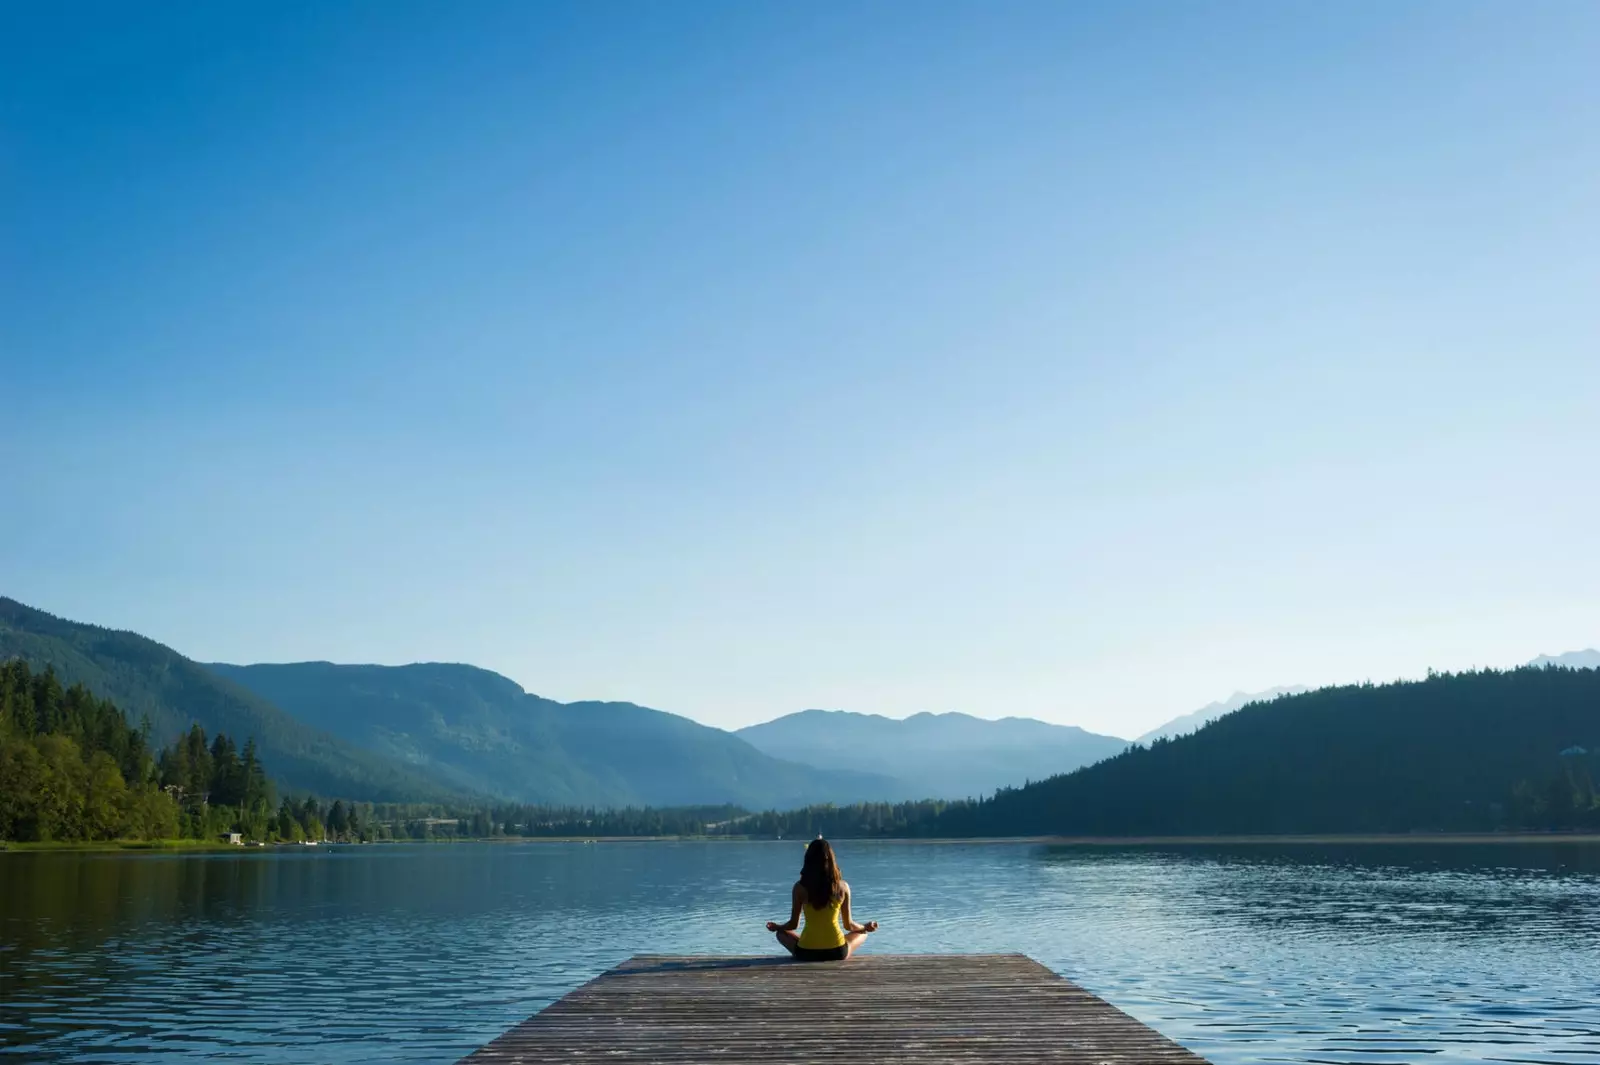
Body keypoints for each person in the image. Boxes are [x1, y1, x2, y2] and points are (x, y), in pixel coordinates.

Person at [766, 837, 879, 961]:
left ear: (808, 860)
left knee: (781, 934)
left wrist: (778, 927)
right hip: (837, 952)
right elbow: (849, 925)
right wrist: (865, 927)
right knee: (862, 933)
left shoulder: (799, 888)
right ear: (831, 860)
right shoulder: (843, 887)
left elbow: (793, 924)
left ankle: (808, 944)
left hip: (806, 952)